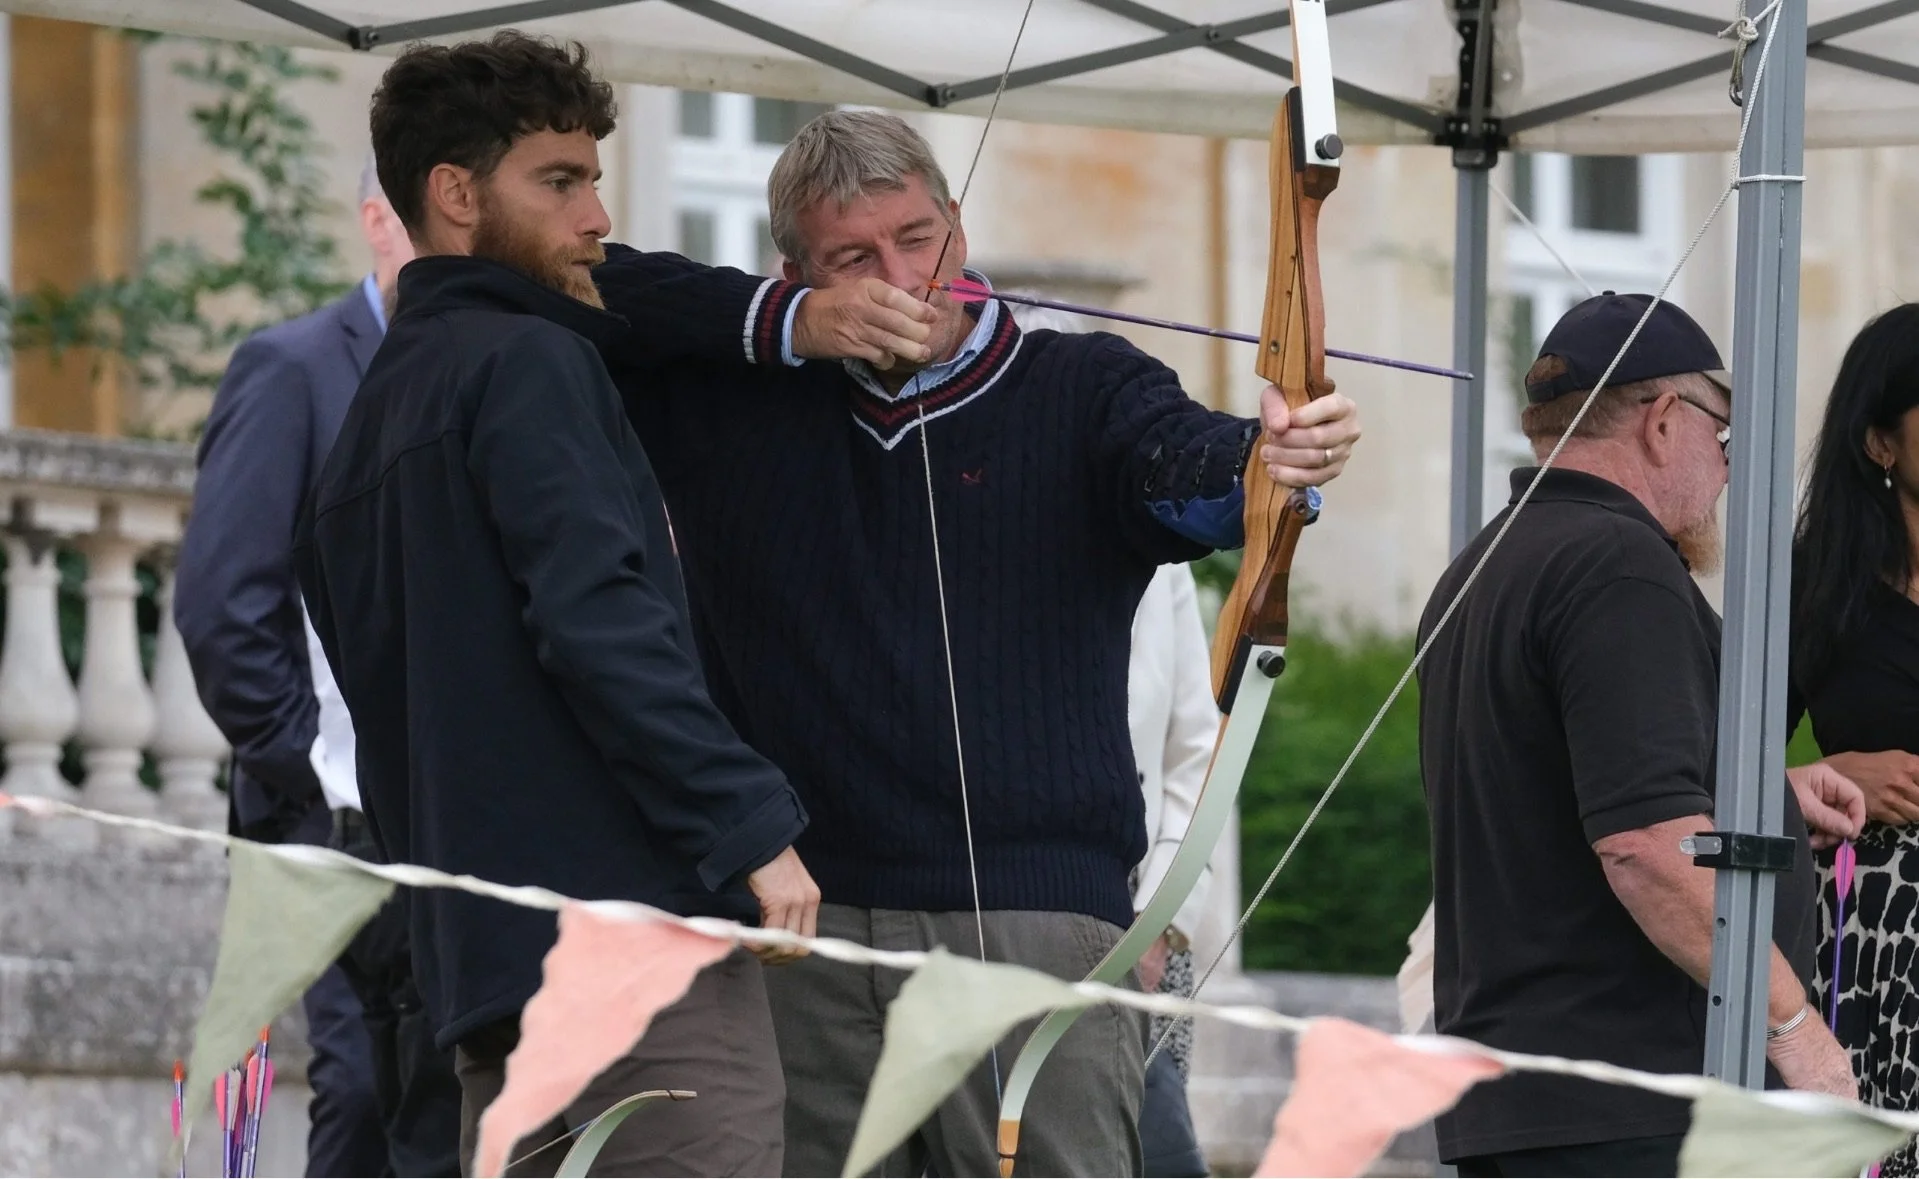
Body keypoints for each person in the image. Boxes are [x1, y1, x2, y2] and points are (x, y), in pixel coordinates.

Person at [588, 108, 1362, 1176]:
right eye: (852, 259)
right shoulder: (736, 396)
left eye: (918, 238)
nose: (900, 277)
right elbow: (574, 285)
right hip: (800, 932)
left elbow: (1190, 477)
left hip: (1033, 934)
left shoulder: (1082, 388)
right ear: (795, 272)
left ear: (959, 223)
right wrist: (789, 326)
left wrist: (1269, 462)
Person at [292, 34, 822, 1177]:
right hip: (630, 957)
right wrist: (749, 826)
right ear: (453, 193)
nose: (596, 217)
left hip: (486, 978)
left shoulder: (360, 433)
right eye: (560, 180)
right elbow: (598, 620)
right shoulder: (528, 361)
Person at [1416, 292, 1863, 1178]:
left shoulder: (1482, 563)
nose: (1727, 471)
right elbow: (1643, 845)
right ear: (1665, 420)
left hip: (1530, 1099)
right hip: (1630, 1105)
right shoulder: (1619, 565)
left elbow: (1547, 792)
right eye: (1723, 437)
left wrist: (1770, 797)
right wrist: (1798, 1033)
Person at [176, 157, 460, 1176]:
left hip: (451, 812)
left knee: (439, 1080)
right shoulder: (294, 368)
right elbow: (224, 600)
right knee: (357, 1085)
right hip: (328, 819)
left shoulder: (483, 368)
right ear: (378, 225)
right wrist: (311, 768)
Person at [1789, 303, 1919, 1177]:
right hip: (1874, 943)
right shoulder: (1822, 582)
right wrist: (1821, 772)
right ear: (1880, 443)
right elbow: (1705, 753)